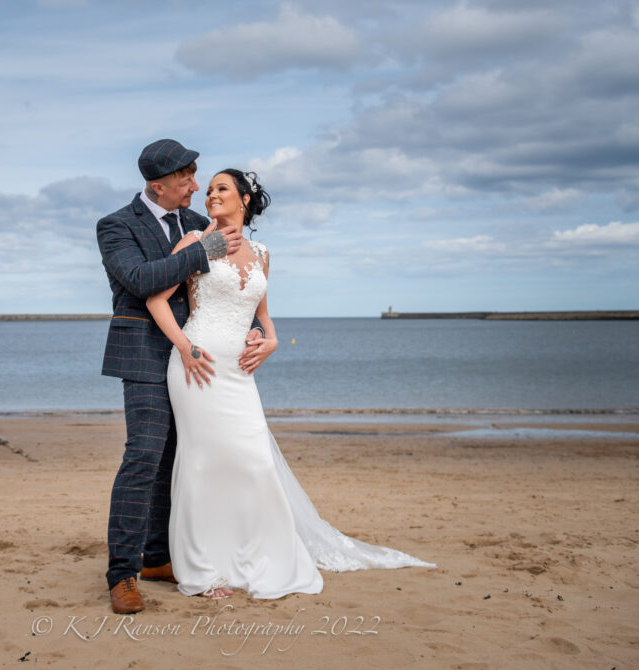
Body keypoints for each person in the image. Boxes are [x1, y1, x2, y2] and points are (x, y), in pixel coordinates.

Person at [146, 169, 435, 600]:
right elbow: (156, 300)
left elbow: (262, 317)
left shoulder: (262, 253)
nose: (210, 195)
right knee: (203, 464)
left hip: (240, 374)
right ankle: (204, 570)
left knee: (254, 463)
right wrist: (185, 347)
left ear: (244, 199)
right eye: (207, 190)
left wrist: (272, 340)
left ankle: (257, 560)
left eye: (220, 188)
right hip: (197, 368)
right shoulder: (194, 242)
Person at [96, 140, 269, 614]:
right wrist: (205, 250)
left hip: (203, 363)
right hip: (146, 356)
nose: (196, 186)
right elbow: (140, 280)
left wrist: (257, 333)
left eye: (197, 176)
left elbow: (226, 289)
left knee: (184, 458)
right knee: (145, 455)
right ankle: (123, 574)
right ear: (158, 184)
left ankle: (158, 557)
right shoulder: (116, 226)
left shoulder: (197, 224)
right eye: (186, 179)